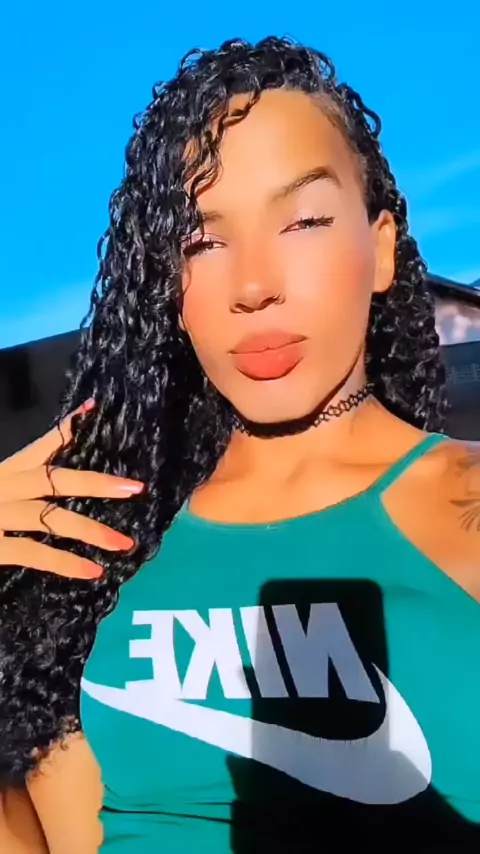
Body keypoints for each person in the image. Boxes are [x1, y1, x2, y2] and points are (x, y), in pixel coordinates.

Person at [0, 35, 479, 854]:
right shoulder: (99, 546)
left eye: (305, 221)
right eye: (202, 241)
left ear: (381, 250)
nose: (254, 286)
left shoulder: (464, 504)